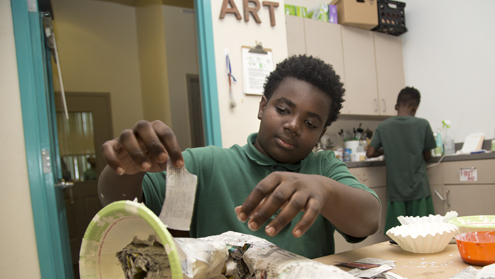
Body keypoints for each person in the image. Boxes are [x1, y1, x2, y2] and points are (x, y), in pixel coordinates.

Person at [98, 55, 380, 258]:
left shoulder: (323, 167)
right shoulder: (204, 165)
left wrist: (325, 190)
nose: (294, 125)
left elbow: (369, 220)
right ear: (262, 107)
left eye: (310, 123)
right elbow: (120, 203)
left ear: (321, 132)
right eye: (283, 109)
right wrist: (126, 169)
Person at [366, 87, 436, 232]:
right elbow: (428, 156)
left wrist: (387, 148)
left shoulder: (384, 126)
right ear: (415, 108)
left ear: (396, 106)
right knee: (425, 232)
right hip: (419, 191)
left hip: (396, 191)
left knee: (398, 237)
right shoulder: (423, 124)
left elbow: (370, 152)